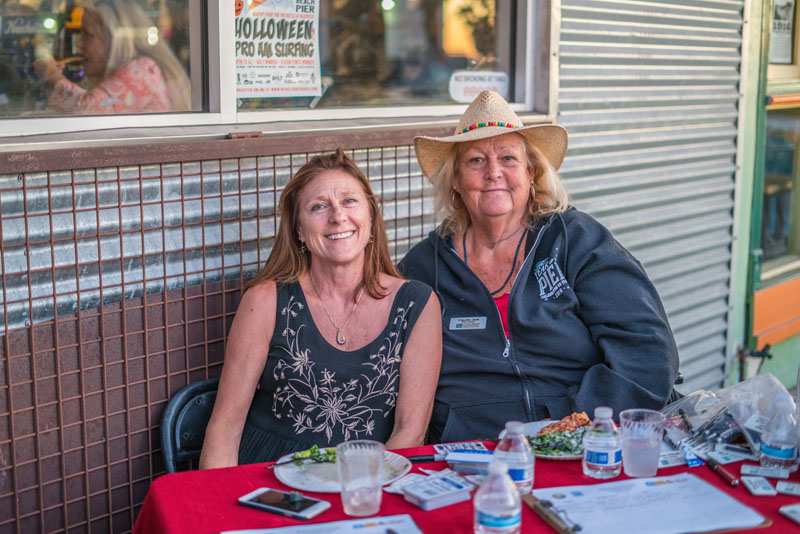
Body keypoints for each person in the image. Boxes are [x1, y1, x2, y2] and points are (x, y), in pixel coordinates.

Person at [399, 90, 679, 442]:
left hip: (579, 438)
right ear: (455, 179)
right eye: (475, 161)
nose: (493, 173)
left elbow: (647, 352)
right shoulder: (426, 265)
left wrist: (574, 425)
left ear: (531, 173)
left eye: (508, 159)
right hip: (469, 447)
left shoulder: (575, 241)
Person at [200, 149, 442, 468]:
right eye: (318, 207)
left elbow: (409, 433)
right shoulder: (265, 300)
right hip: (268, 478)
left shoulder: (416, 304)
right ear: (299, 230)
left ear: (371, 216)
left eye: (349, 201)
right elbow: (225, 425)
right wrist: (218, 507)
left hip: (368, 479)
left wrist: (359, 491)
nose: (337, 216)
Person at [35, 1, 191, 114]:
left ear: (114, 39)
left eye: (87, 35)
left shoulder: (141, 70)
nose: (78, 44)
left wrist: (52, 76)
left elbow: (87, 111)